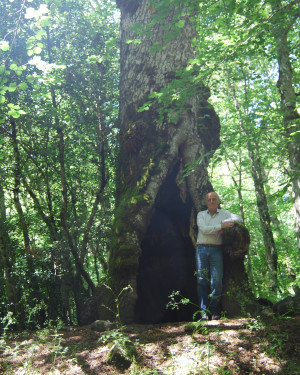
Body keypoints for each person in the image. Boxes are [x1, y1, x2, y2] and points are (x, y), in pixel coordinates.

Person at [196, 191, 243, 320]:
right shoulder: (201, 215)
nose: (212, 202)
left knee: (216, 281)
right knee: (201, 280)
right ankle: (204, 312)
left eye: (214, 199)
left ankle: (215, 310)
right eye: (209, 200)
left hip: (216, 250)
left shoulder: (224, 214)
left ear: (218, 200)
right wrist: (220, 226)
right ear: (206, 202)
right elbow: (204, 229)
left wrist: (230, 224)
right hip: (202, 250)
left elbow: (239, 218)